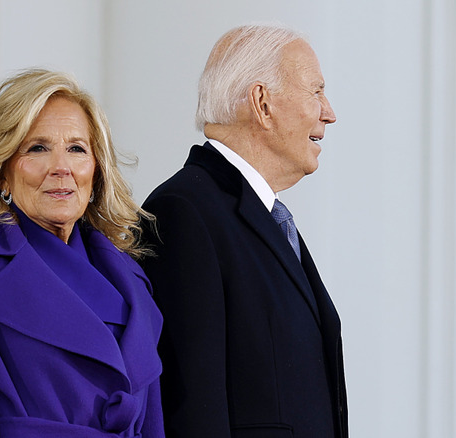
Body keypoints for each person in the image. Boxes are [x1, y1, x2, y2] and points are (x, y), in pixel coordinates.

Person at [0, 68, 164, 437]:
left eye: (77, 148)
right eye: (38, 148)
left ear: (96, 171)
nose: (61, 168)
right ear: (3, 172)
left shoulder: (131, 279)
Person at [140, 25, 348, 438]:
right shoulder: (183, 212)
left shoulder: (267, 218)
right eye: (316, 91)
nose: (330, 112)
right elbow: (192, 408)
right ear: (262, 104)